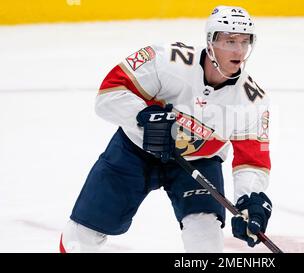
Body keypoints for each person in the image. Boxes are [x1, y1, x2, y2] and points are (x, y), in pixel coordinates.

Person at [60, 5, 273, 253]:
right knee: (80, 237)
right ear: (210, 41)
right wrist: (142, 116)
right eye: (230, 41)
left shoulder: (252, 101)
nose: (239, 50)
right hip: (134, 152)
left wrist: (250, 200)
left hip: (197, 163)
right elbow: (108, 95)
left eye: (245, 42)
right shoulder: (165, 59)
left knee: (206, 241)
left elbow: (253, 161)